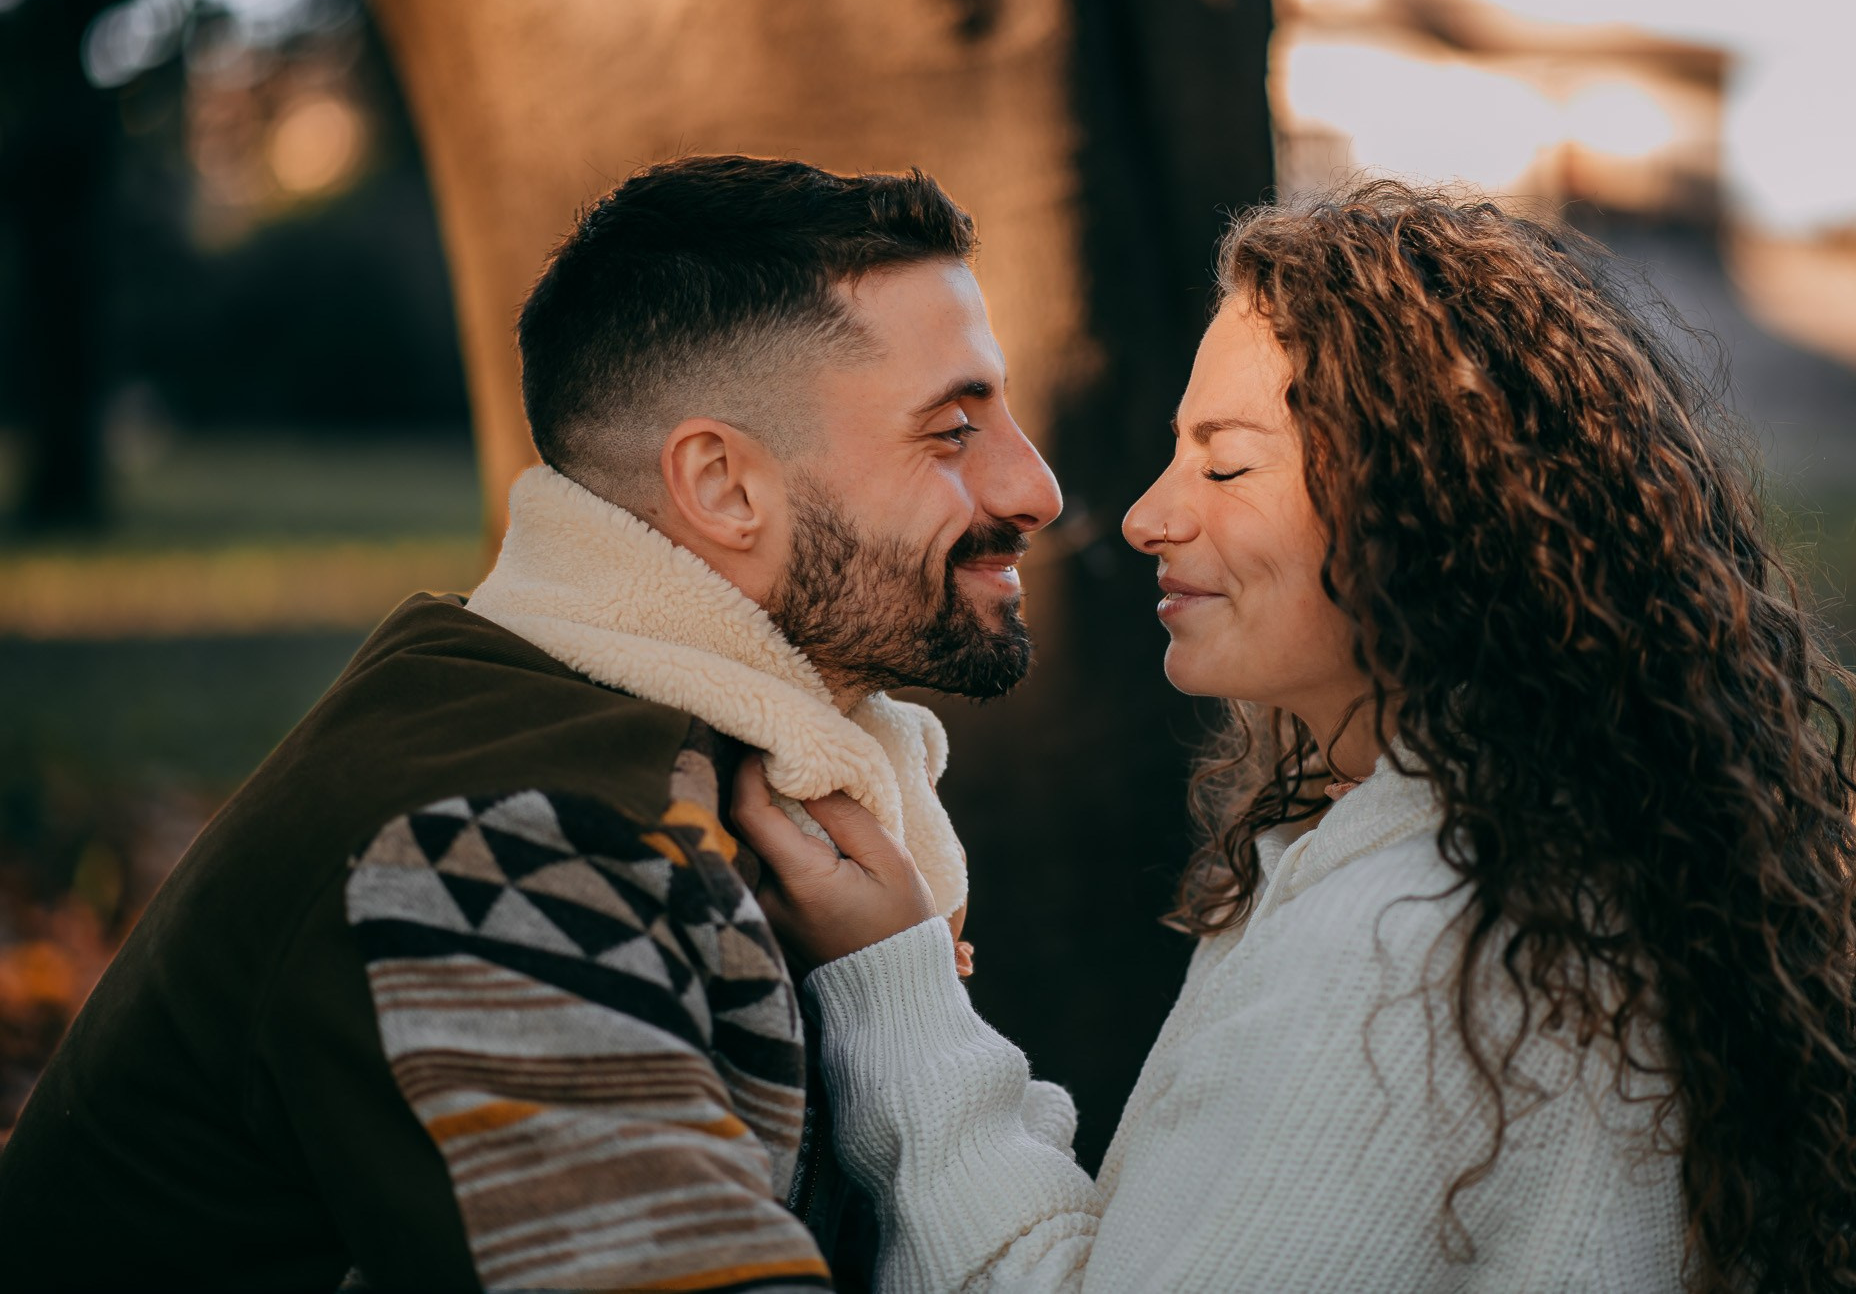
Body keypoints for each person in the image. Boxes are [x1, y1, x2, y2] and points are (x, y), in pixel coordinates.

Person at [735, 181, 1856, 1293]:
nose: (1150, 518)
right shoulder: (1537, 839)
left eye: (1225, 469)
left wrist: (895, 992)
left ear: (1423, 503)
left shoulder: (1417, 930)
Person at [0, 155, 1065, 1290]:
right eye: (951, 429)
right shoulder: (510, 848)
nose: (1034, 488)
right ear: (722, 486)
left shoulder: (698, 757)